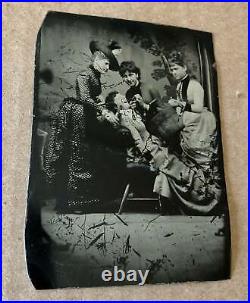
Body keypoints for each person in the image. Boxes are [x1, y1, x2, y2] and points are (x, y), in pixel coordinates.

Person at [44, 40, 129, 212]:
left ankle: (80, 200)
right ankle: (71, 202)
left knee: (85, 154)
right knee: (77, 155)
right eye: (105, 63)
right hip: (76, 116)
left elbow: (92, 98)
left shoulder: (95, 76)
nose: (107, 67)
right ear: (97, 61)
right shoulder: (85, 75)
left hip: (84, 115)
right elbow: (84, 98)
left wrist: (103, 108)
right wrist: (104, 112)